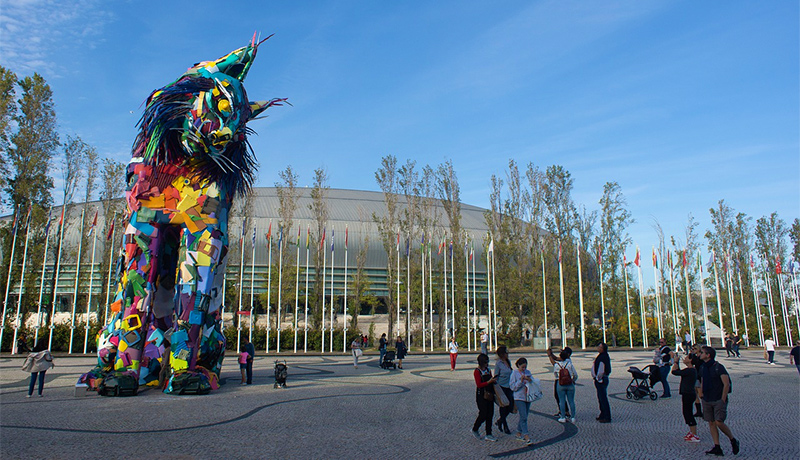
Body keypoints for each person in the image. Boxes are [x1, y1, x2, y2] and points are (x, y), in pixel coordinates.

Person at [698, 346, 739, 456]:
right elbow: (702, 380)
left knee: (719, 422)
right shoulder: (702, 367)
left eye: (702, 352)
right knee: (711, 422)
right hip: (707, 398)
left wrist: (723, 399)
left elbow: (726, 384)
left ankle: (733, 439)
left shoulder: (719, 367)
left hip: (718, 399)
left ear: (708, 355)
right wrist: (701, 393)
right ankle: (717, 446)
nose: (700, 354)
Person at [671, 351, 700, 443]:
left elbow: (675, 372)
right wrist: (677, 363)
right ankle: (691, 432)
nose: (685, 358)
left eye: (687, 357)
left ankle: (694, 434)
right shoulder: (690, 370)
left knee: (688, 413)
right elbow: (679, 372)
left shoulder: (690, 370)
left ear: (690, 360)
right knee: (686, 413)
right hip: (688, 393)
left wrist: (675, 362)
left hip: (688, 393)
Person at [471, 353, 498, 442]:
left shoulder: (488, 370)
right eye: (485, 362)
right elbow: (479, 384)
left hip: (489, 393)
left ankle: (489, 433)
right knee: (483, 413)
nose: (487, 364)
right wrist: (489, 382)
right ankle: (475, 428)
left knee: (490, 413)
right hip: (481, 395)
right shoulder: (477, 371)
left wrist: (493, 381)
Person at [509, 357, 534, 445]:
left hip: (527, 396)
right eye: (522, 367)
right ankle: (526, 435)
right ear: (518, 365)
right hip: (519, 397)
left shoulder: (528, 372)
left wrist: (530, 380)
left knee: (525, 415)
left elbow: (533, 382)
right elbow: (513, 387)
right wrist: (521, 381)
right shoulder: (514, 373)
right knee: (523, 416)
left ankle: (518, 432)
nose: (524, 369)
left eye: (525, 367)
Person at [553, 347, 578, 423]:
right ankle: (573, 417)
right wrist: (573, 380)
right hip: (569, 384)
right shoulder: (570, 364)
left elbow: (555, 374)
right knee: (571, 401)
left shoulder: (557, 365)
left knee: (562, 401)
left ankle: (563, 417)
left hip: (560, 384)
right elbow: (575, 374)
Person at [493, 345, 514, 434]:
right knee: (503, 407)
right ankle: (505, 425)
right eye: (506, 352)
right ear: (502, 354)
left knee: (511, 406)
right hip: (501, 387)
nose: (507, 354)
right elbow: (496, 376)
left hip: (509, 387)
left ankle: (500, 420)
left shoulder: (508, 361)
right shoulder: (498, 364)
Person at [546, 347, 570, 418]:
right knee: (560, 396)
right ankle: (563, 410)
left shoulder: (567, 360)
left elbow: (554, 363)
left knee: (559, 396)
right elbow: (556, 358)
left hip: (560, 380)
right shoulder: (566, 359)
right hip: (565, 380)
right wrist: (551, 354)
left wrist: (549, 355)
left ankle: (565, 411)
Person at [591, 342, 611, 423]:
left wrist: (597, 378)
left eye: (599, 347)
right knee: (600, 398)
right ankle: (602, 414)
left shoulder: (603, 357)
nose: (597, 348)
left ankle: (606, 416)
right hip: (600, 379)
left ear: (602, 349)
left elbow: (601, 369)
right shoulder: (602, 356)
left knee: (603, 398)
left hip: (601, 379)